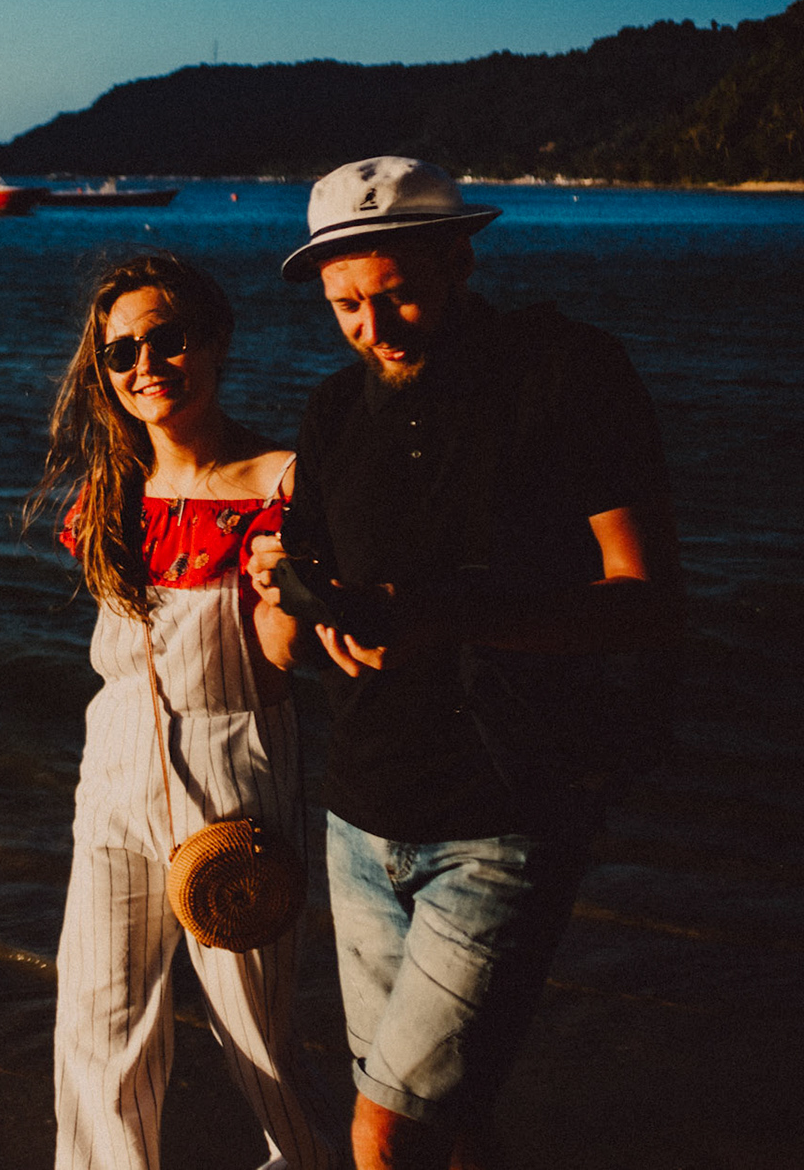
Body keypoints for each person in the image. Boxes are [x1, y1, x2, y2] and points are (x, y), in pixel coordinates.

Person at [248, 157, 682, 1169]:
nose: (373, 326)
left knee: (384, 1131)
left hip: (508, 809)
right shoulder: (331, 414)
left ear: (461, 257)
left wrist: (448, 616)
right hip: (359, 817)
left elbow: (648, 598)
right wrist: (291, 592)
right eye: (346, 304)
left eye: (396, 292)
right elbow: (298, 602)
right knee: (452, 1117)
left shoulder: (568, 374)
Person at [33, 251, 340, 1170]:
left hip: (236, 759)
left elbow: (286, 662)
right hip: (114, 762)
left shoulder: (286, 482)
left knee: (255, 1030)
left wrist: (292, 591)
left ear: (215, 341)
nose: (145, 365)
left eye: (168, 340)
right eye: (121, 352)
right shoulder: (109, 497)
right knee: (96, 1018)